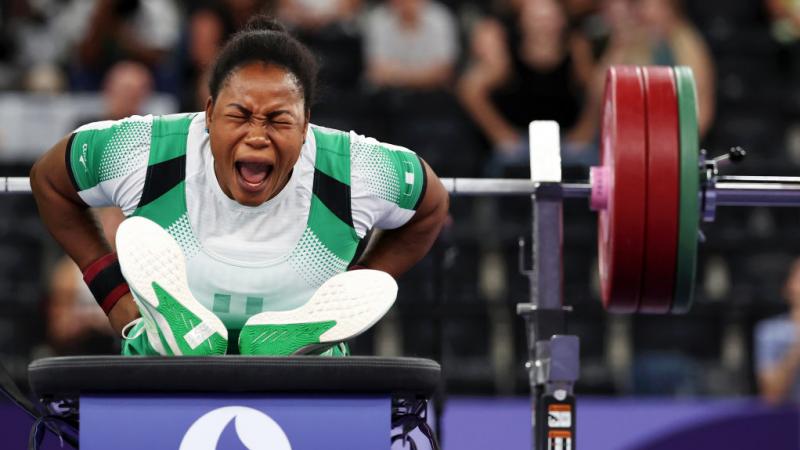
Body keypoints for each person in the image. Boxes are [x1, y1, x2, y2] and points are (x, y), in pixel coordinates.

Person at [29, 16, 449, 357]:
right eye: (240, 115)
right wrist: (114, 297)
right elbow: (49, 179)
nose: (257, 135)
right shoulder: (145, 147)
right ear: (209, 114)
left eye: (278, 119)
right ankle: (172, 338)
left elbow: (432, 205)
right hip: (168, 373)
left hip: (302, 375)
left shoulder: (356, 167)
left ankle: (302, 335)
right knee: (162, 353)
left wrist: (358, 282)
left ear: (305, 127)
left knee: (306, 364)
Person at [755, 258, 800, 404]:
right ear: (788, 287)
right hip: (788, 419)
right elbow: (772, 396)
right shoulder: (771, 332)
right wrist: (796, 351)